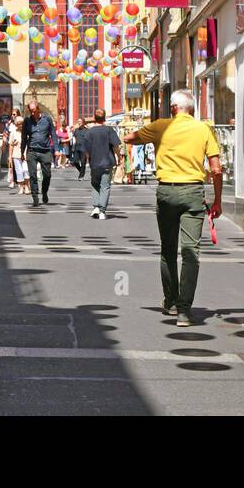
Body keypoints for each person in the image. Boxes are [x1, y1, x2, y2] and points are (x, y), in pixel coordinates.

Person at [125, 89, 222, 327]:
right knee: (190, 252)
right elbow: (217, 169)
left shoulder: (161, 126)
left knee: (168, 249)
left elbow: (129, 137)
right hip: (193, 193)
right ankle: (184, 311)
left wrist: (153, 140)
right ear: (192, 109)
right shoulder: (204, 129)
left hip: (166, 192)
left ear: (173, 108)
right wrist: (217, 200)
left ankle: (170, 300)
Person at [81, 109, 120, 219]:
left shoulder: (90, 132)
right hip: (107, 162)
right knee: (105, 187)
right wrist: (120, 157)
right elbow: (116, 146)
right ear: (104, 118)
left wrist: (89, 159)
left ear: (94, 118)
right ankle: (102, 211)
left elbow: (86, 150)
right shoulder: (109, 130)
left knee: (95, 185)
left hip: (95, 163)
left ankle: (96, 207)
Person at [21, 98, 56, 207]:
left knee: (47, 175)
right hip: (32, 151)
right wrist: (22, 152)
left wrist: (56, 149)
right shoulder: (27, 121)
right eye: (30, 110)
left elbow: (53, 134)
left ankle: (44, 191)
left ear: (38, 109)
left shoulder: (47, 119)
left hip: (45, 151)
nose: (32, 112)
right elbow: (24, 137)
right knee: (32, 175)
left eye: (34, 110)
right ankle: (35, 197)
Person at [9, 117, 29, 195]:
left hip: (26, 155)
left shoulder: (27, 132)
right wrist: (10, 157)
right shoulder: (13, 133)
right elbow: (11, 145)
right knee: (19, 172)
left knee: (26, 170)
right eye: (19, 124)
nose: (21, 125)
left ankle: (27, 186)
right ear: (16, 125)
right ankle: (21, 187)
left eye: (22, 123)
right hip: (16, 155)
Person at [6, 108, 22, 188]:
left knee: (18, 165)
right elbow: (5, 133)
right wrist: (4, 141)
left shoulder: (21, 123)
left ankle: (19, 181)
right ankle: (11, 181)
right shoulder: (9, 123)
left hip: (18, 146)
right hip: (10, 145)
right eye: (12, 114)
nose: (12, 116)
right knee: (10, 163)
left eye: (14, 114)